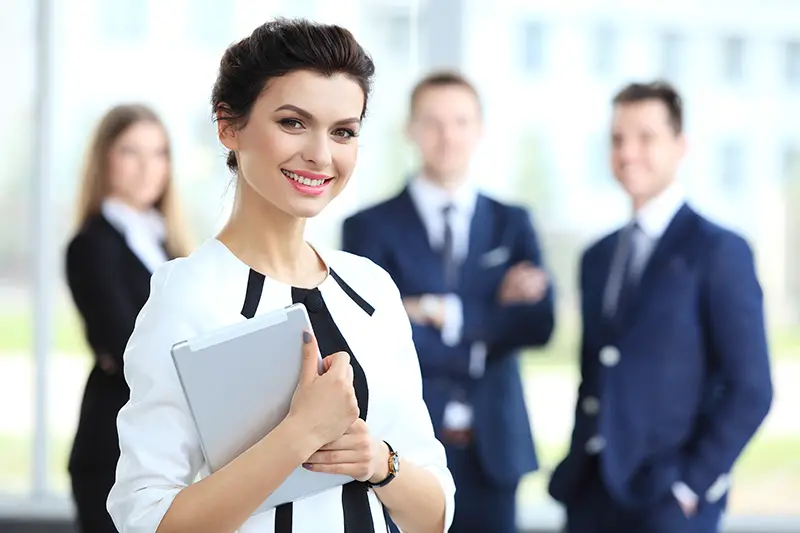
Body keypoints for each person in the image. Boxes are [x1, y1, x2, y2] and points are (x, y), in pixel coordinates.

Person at [106, 19, 455, 533]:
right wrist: (299, 435)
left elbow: (435, 515)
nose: (320, 153)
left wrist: (378, 461)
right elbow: (147, 519)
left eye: (343, 131)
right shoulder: (187, 296)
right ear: (229, 125)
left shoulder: (372, 289)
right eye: (293, 122)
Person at [547, 81, 773, 533]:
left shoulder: (718, 251)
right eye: (617, 140)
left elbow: (752, 388)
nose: (628, 152)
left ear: (680, 146)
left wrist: (692, 485)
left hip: (668, 501)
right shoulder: (598, 256)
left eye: (646, 137)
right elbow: (597, 370)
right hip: (591, 496)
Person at [342, 71, 554, 533]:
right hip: (405, 449)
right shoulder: (368, 228)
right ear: (411, 129)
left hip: (495, 450)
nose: (447, 135)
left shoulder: (512, 224)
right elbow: (372, 337)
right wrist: (487, 321)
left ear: (480, 129)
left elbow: (538, 324)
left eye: (460, 121)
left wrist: (436, 312)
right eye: (433, 122)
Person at [65, 103, 193, 533]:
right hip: (113, 443)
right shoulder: (92, 244)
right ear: (105, 159)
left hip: (167, 445)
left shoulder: (168, 242)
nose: (148, 168)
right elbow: (124, 347)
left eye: (159, 153)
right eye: (131, 152)